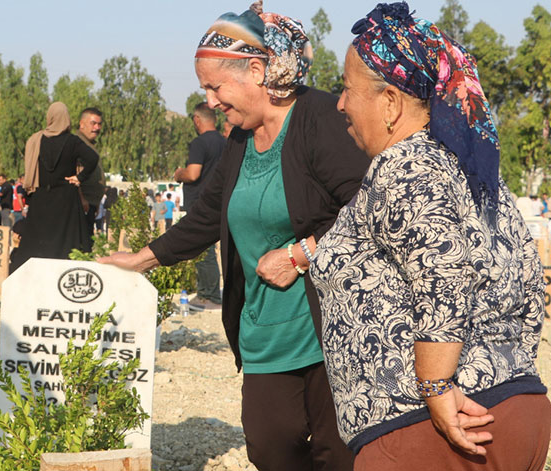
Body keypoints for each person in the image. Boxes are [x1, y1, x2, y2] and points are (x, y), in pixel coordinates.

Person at [99, 3, 367, 469]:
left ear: (257, 71)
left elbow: (369, 206)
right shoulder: (240, 140)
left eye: (214, 86)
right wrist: (142, 258)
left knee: (337, 454)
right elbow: (206, 216)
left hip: (331, 328)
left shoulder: (320, 118)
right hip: (264, 331)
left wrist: (302, 254)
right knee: (269, 448)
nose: (210, 99)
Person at [310, 4, 550, 470]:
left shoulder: (406, 164)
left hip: (430, 432)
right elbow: (527, 287)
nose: (339, 103)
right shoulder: (479, 175)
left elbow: (445, 267)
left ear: (391, 103)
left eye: (346, 89)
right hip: (515, 409)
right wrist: (506, 374)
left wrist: (437, 386)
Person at [11, 102, 98, 273]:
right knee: (68, 243)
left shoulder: (37, 140)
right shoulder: (72, 141)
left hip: (41, 197)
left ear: (50, 118)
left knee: (36, 242)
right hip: (66, 198)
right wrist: (80, 178)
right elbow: (92, 159)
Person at [174, 102, 225, 308]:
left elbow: (193, 174)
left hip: (200, 202)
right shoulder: (226, 142)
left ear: (197, 119)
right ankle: (209, 293)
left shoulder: (199, 143)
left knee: (204, 250)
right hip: (220, 199)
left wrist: (179, 174)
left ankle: (209, 296)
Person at [76, 107, 106, 250]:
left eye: (99, 124)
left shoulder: (89, 145)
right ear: (82, 124)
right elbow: (73, 174)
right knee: (82, 246)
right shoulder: (77, 144)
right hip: (82, 204)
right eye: (93, 123)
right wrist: (81, 198)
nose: (97, 128)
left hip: (90, 204)